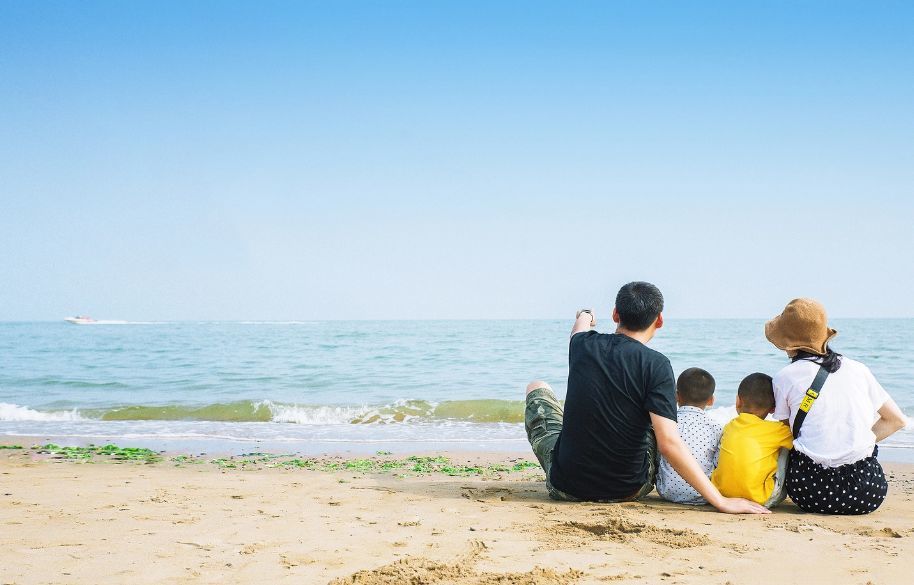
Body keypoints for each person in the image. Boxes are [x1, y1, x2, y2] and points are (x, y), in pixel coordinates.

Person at [524, 281, 769, 514]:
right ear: (659, 320)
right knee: (658, 418)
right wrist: (720, 500)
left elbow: (580, 326)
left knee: (537, 386)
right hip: (628, 489)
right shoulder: (658, 365)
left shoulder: (581, 345)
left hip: (567, 487)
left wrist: (586, 314)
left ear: (615, 314)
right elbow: (668, 444)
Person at [766, 298, 907, 514]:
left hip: (810, 492)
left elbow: (788, 433)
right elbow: (896, 420)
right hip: (868, 493)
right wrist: (853, 441)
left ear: (786, 342)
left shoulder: (785, 377)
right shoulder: (859, 369)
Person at [711, 373, 793, 508]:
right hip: (761, 499)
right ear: (774, 408)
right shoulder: (778, 430)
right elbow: (799, 439)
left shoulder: (730, 425)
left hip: (720, 494)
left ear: (738, 401)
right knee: (786, 446)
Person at [656, 367, 722, 505]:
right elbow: (717, 463)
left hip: (667, 491)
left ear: (676, 396)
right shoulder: (716, 427)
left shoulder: (667, 423)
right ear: (711, 400)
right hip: (704, 494)